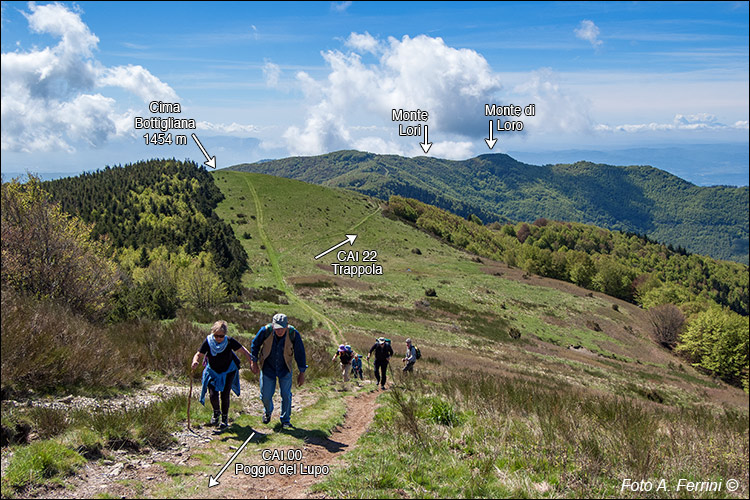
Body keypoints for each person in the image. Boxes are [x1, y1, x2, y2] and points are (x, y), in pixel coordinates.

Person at [191, 320, 254, 430]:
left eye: (221, 336)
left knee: (225, 395)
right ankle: (216, 413)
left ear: (225, 334)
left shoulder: (229, 341)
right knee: (212, 395)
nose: (219, 338)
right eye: (216, 335)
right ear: (213, 333)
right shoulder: (208, 341)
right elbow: (199, 354)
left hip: (228, 371)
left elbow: (243, 351)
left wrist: (252, 362)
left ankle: (224, 418)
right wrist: (195, 361)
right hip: (212, 371)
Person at [249, 313, 307, 429]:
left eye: (282, 328)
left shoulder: (293, 334)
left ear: (287, 326)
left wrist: (302, 372)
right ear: (273, 326)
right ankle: (268, 411)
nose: (279, 331)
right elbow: (255, 345)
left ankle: (285, 420)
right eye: (277, 328)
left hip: (285, 368)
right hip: (267, 367)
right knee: (265, 395)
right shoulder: (265, 331)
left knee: (286, 395)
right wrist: (253, 362)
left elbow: (300, 353)